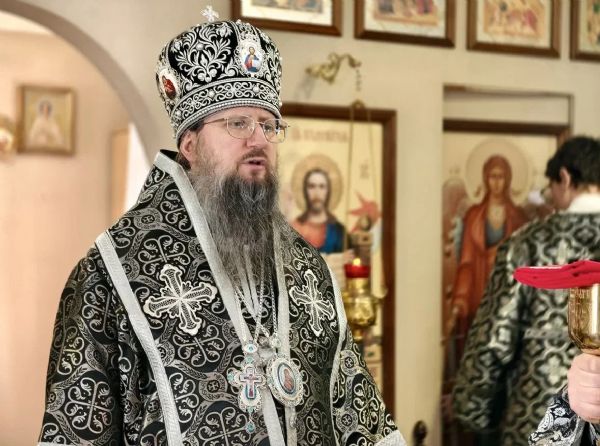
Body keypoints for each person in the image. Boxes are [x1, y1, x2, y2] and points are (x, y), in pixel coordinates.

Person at [37, 11, 404, 446]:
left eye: (268, 125)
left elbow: (360, 422)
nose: (258, 139)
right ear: (190, 145)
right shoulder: (112, 274)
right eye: (237, 123)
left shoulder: (307, 268)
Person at [452, 136, 600, 446]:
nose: (552, 198)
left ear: (565, 178)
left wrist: (474, 412)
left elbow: (494, 339)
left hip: (539, 418)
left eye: (552, 188)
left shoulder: (526, 244)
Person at [450, 155, 527, 355]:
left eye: (501, 176)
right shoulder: (473, 216)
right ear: (486, 178)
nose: (496, 182)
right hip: (479, 290)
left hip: (507, 292)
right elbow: (466, 263)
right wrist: (460, 299)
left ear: (508, 179)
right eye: (493, 176)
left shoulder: (518, 217)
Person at [291, 168, 346, 254]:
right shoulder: (294, 228)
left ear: (328, 192)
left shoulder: (338, 231)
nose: (317, 193)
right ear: (305, 191)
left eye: (322, 187)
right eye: (312, 186)